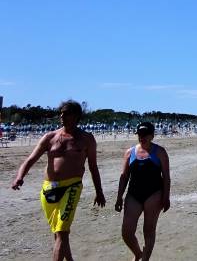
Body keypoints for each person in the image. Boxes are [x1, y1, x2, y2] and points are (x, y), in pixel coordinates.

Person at [10, 100, 106, 261]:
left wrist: (99, 191)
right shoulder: (50, 137)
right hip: (48, 188)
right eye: (61, 113)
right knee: (59, 232)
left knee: (61, 232)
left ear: (76, 116)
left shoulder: (86, 139)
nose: (62, 116)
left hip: (72, 186)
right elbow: (30, 159)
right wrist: (19, 177)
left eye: (66, 113)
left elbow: (93, 167)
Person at [115, 122, 170, 261]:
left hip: (154, 193)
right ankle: (138, 253)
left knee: (148, 230)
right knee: (127, 232)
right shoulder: (129, 153)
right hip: (134, 194)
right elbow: (124, 176)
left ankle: (145, 258)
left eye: (145, 134)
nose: (142, 137)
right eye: (140, 134)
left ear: (152, 135)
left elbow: (166, 176)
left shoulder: (160, 152)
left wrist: (166, 197)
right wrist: (119, 196)